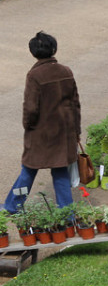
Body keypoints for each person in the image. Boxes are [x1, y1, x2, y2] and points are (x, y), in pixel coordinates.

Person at [3, 32, 81, 212]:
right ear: (53, 49)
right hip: (64, 133)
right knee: (60, 172)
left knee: (28, 170)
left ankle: (13, 205)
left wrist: (28, 125)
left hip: (41, 134)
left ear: (33, 52)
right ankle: (67, 214)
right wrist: (76, 131)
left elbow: (31, 108)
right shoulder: (66, 72)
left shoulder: (35, 75)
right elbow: (75, 104)